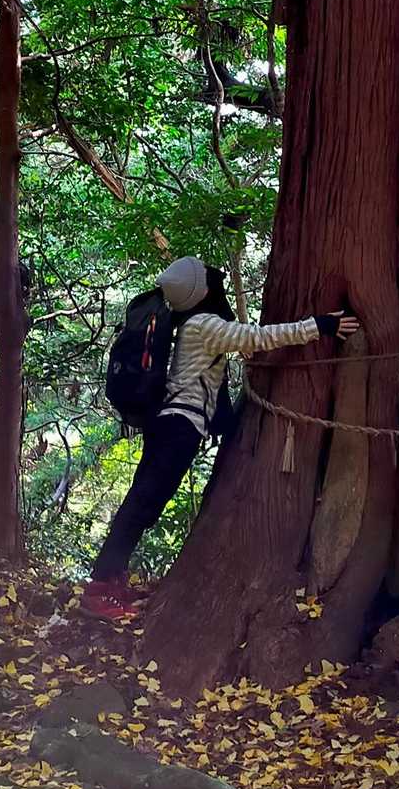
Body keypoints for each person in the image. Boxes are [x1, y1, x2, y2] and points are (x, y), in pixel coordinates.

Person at [82, 256, 359, 620]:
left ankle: (112, 580)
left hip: (168, 425)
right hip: (179, 427)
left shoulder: (186, 322)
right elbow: (258, 338)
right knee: (142, 504)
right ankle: (100, 589)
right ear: (202, 292)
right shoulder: (203, 325)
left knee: (143, 503)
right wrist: (320, 325)